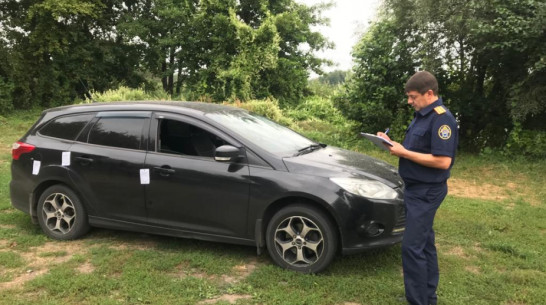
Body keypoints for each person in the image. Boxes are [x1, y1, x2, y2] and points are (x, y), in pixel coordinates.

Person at [377, 71, 458, 305]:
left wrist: (403, 152)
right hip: (415, 189)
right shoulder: (422, 116)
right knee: (424, 244)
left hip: (427, 192)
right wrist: (393, 145)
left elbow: (443, 161)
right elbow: (417, 150)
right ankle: (428, 295)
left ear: (429, 93)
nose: (409, 101)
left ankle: (418, 300)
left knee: (411, 247)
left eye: (413, 97)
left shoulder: (442, 119)